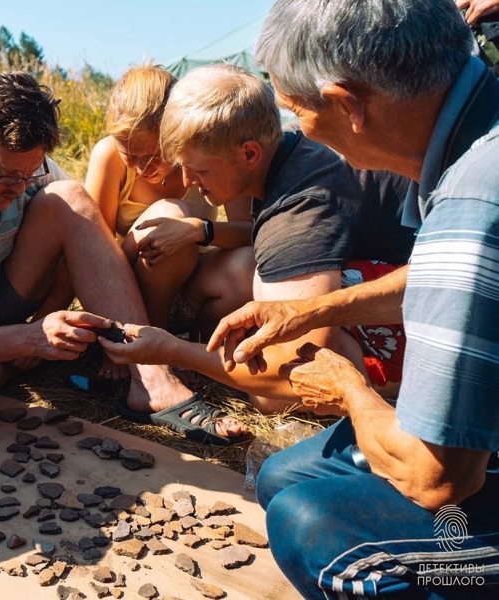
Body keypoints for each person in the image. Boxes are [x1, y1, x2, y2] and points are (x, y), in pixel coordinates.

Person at [201, 0, 499, 596]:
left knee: (311, 522)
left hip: (457, 471)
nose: (302, 135)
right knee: (286, 475)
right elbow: (444, 277)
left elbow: (436, 479)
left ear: (349, 104)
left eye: (297, 113)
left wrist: (350, 390)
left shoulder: (472, 205)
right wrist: (311, 309)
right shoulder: (478, 135)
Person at [0, 71, 246, 445]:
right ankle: (4, 365)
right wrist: (29, 340)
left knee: (69, 196)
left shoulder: (36, 173)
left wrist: (45, 318)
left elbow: (85, 244)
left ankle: (152, 379)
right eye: (5, 175)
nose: (18, 188)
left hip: (2, 305)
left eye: (29, 174)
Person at [100, 63, 415, 416]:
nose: (187, 181)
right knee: (246, 283)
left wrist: (172, 350)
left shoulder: (297, 213)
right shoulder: (287, 149)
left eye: (200, 170)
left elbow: (295, 379)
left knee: (270, 396)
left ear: (249, 153)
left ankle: (388, 382)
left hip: (435, 307)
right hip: (412, 274)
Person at [84, 64, 254, 343]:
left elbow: (251, 232)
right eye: (130, 155)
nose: (140, 168)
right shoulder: (108, 156)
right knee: (170, 215)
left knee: (249, 263)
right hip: (129, 290)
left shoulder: (208, 151)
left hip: (192, 288)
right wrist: (143, 239)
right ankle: (141, 339)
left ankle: (199, 351)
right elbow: (92, 255)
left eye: (153, 155)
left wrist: (199, 230)